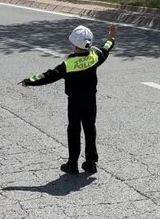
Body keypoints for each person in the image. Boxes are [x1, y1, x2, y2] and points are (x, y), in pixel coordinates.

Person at [20, 24, 118, 174]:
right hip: (91, 100)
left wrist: (29, 80)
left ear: (74, 45)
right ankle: (91, 162)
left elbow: (48, 76)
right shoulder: (95, 56)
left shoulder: (68, 64)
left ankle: (72, 163)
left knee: (74, 130)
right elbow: (106, 47)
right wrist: (111, 36)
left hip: (75, 102)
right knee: (90, 129)